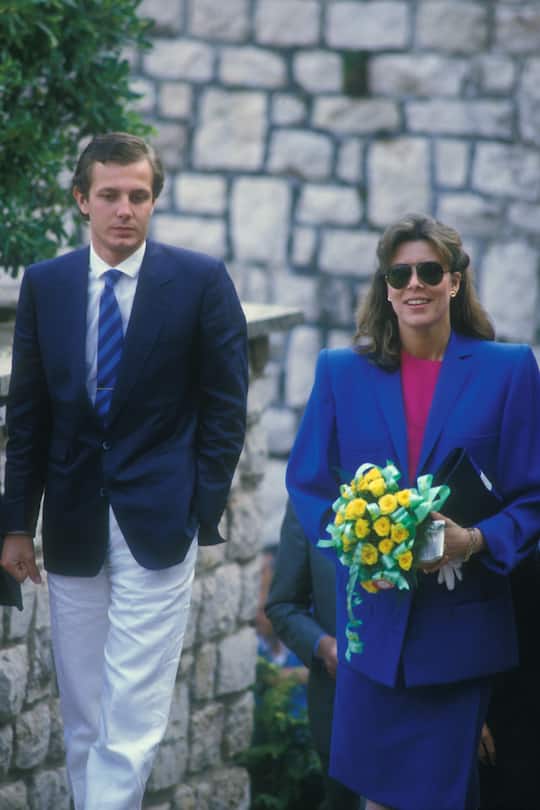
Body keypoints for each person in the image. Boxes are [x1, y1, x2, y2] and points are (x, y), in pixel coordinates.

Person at [0, 132, 248, 810]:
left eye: (139, 195)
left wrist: (201, 505)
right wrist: (16, 525)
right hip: (74, 524)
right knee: (84, 716)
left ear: (154, 200)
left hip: (160, 525)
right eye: (109, 195)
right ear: (82, 200)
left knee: (132, 716)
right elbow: (28, 417)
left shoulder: (199, 281)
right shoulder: (48, 286)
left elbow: (226, 409)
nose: (124, 209)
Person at [286, 212, 540, 810]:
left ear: (455, 280)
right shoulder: (339, 372)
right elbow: (309, 485)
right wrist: (356, 546)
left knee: (440, 797)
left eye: (430, 270)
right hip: (369, 633)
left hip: (461, 636)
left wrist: (475, 539)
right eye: (400, 273)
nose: (414, 284)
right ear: (386, 286)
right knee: (372, 800)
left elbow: (533, 496)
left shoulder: (510, 371)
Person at [266, 499, 362, 810]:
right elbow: (283, 606)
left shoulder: (417, 493)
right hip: (338, 704)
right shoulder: (308, 501)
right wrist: (323, 646)